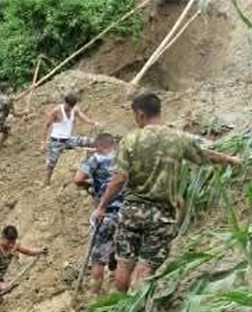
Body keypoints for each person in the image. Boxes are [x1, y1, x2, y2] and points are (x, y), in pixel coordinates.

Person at [95, 91, 241, 293]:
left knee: (124, 264)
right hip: (162, 215)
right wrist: (231, 160)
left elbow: (119, 179)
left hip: (132, 212)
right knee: (146, 268)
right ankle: (137, 306)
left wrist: (102, 206)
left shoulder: (130, 140)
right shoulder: (178, 138)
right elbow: (205, 155)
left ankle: (120, 303)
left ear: (140, 114)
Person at [73, 133, 122, 293]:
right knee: (124, 255)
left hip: (105, 213)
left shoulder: (94, 160)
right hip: (127, 213)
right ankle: (119, 291)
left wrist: (90, 184)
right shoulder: (123, 158)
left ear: (98, 146)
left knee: (98, 259)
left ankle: (94, 294)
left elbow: (77, 179)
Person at [0, 225, 47, 312]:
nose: (10, 245)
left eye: (12, 242)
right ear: (3, 237)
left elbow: (28, 251)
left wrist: (41, 250)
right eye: (8, 242)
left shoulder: (14, 245)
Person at [40, 90, 100, 184]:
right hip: (56, 140)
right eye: (69, 106)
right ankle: (46, 181)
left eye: (72, 106)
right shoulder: (56, 111)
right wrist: (43, 142)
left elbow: (83, 117)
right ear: (65, 102)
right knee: (51, 162)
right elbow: (46, 126)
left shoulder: (74, 109)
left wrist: (93, 123)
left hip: (68, 139)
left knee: (90, 142)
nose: (70, 108)